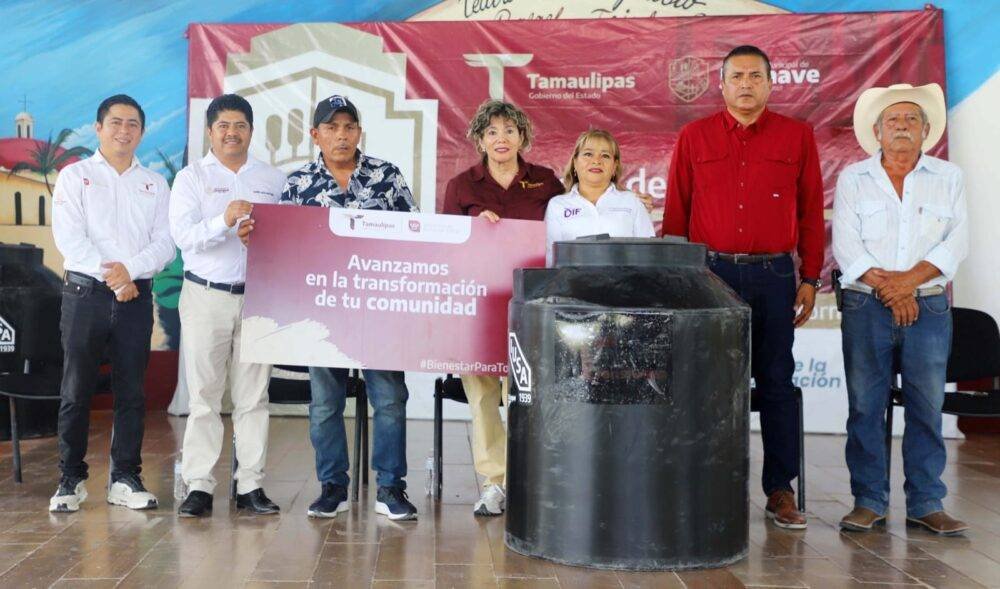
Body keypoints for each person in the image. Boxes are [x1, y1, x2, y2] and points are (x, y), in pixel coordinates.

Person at [662, 45, 825, 529]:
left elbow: (811, 211)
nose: (746, 84)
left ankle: (780, 490)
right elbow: (676, 211)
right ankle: (706, 484)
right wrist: (678, 279)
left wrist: (811, 277)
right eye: (737, 76)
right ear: (723, 84)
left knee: (775, 382)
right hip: (710, 276)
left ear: (771, 83)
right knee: (707, 384)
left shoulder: (797, 136)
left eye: (756, 76)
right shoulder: (694, 137)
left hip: (775, 276)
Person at [244, 94, 419, 520]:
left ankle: (391, 489)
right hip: (322, 313)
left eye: (349, 127)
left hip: (379, 311)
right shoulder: (299, 183)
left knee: (390, 399)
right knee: (324, 403)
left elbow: (415, 234)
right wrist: (258, 239)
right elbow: (284, 248)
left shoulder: (386, 176)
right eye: (332, 127)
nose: (341, 135)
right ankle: (332, 487)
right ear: (315, 135)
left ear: (359, 132)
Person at [833, 83, 969, 535]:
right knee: (865, 407)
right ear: (877, 131)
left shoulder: (949, 177)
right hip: (865, 306)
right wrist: (894, 290)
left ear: (927, 131)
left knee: (927, 406)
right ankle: (868, 501)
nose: (903, 127)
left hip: (928, 309)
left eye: (912, 120)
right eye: (894, 120)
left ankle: (926, 502)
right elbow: (847, 247)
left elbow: (957, 243)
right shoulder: (853, 177)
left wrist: (907, 285)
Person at [49, 94, 174, 512]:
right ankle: (70, 480)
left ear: (142, 131)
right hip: (85, 295)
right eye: (116, 122)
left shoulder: (154, 183)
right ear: (98, 127)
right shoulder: (74, 176)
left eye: (133, 124)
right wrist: (113, 277)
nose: (124, 130)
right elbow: (69, 239)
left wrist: (129, 273)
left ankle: (125, 476)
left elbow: (165, 244)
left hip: (135, 298)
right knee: (75, 389)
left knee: (131, 391)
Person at [442, 99, 564, 516]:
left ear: (522, 137)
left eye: (509, 131)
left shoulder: (546, 182)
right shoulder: (462, 186)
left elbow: (565, 235)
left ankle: (530, 479)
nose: (501, 138)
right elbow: (448, 249)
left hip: (532, 309)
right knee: (482, 399)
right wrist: (473, 231)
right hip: (477, 311)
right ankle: (494, 483)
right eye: (492, 131)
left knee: (527, 397)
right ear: (479, 138)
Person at [169, 94, 286, 517]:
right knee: (204, 396)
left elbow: (288, 238)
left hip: (258, 297)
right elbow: (183, 238)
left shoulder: (273, 180)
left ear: (251, 131)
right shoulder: (191, 178)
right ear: (210, 131)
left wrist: (264, 237)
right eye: (223, 126)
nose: (232, 132)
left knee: (254, 397)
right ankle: (198, 485)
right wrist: (224, 220)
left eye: (240, 125)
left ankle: (250, 485)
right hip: (205, 295)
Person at [545, 129, 655, 264]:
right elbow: (550, 258)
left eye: (605, 156)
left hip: (626, 283)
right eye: (588, 154)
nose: (596, 160)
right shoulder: (557, 205)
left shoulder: (632, 202)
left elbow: (649, 256)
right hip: (573, 284)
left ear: (614, 166)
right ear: (575, 162)